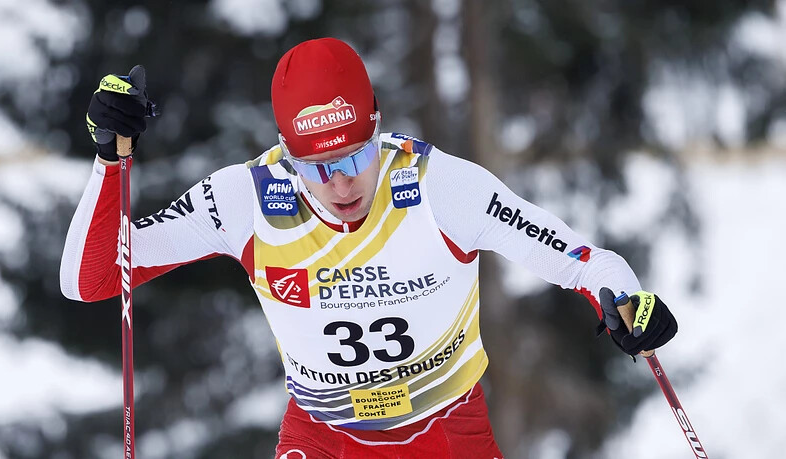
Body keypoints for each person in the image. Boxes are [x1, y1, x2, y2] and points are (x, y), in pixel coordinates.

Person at [60, 38, 677, 458]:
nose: (341, 182)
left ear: (378, 123)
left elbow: (579, 258)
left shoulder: (440, 187)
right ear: (284, 150)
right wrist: (109, 157)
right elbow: (89, 279)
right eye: (316, 166)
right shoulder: (245, 199)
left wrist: (624, 301)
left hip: (446, 434)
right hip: (324, 437)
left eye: (356, 155)